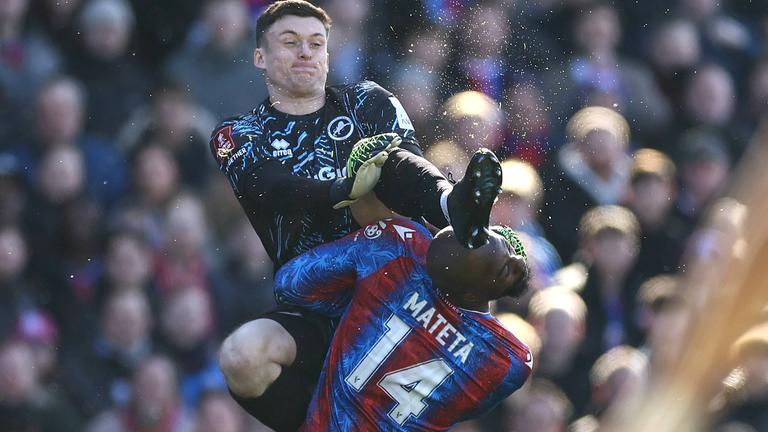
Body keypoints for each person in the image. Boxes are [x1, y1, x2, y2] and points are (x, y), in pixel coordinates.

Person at [213, 2, 504, 430]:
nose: (305, 53)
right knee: (240, 356)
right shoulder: (237, 134)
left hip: (399, 293)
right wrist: (341, 189)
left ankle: (454, 206)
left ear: (329, 55)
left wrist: (372, 188)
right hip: (316, 302)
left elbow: (405, 171)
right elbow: (272, 188)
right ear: (260, 57)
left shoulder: (366, 100)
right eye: (289, 42)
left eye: (316, 44)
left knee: (386, 163)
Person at [272, 198, 532, 430]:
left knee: (247, 355)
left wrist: (359, 307)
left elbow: (289, 284)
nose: (519, 261)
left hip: (321, 418)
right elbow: (465, 408)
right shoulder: (507, 360)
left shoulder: (400, 248)